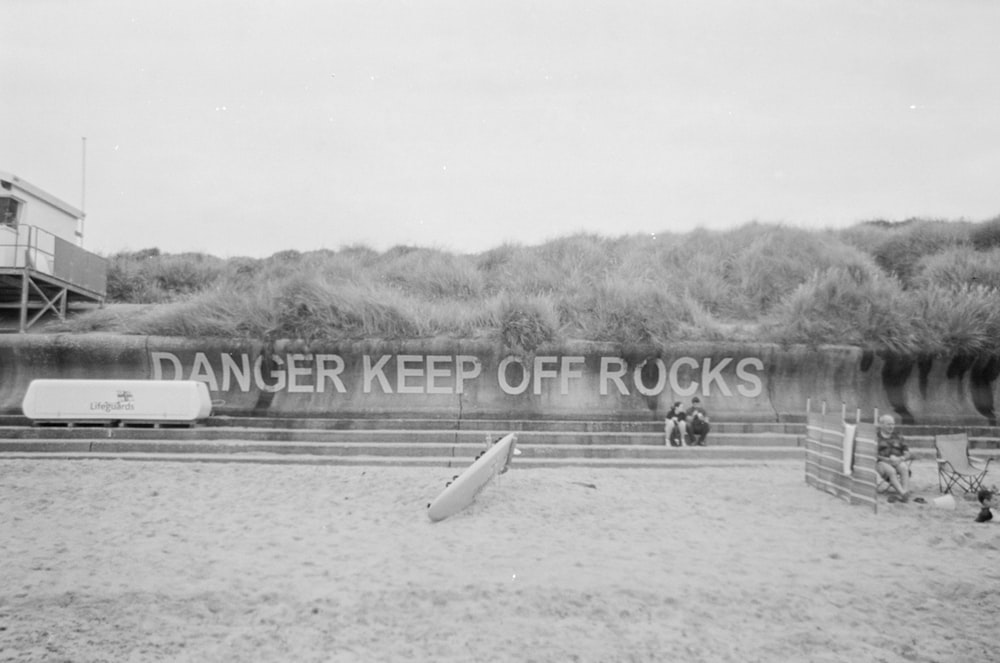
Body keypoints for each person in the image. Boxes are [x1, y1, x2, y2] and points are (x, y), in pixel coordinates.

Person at [875, 414, 912, 501]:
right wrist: (887, 460)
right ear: (881, 424)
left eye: (893, 424)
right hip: (881, 463)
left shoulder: (898, 437)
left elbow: (908, 453)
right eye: (888, 424)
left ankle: (905, 492)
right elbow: (873, 454)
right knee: (891, 471)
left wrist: (901, 459)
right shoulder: (876, 437)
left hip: (897, 461)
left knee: (904, 467)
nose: (891, 426)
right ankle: (902, 492)